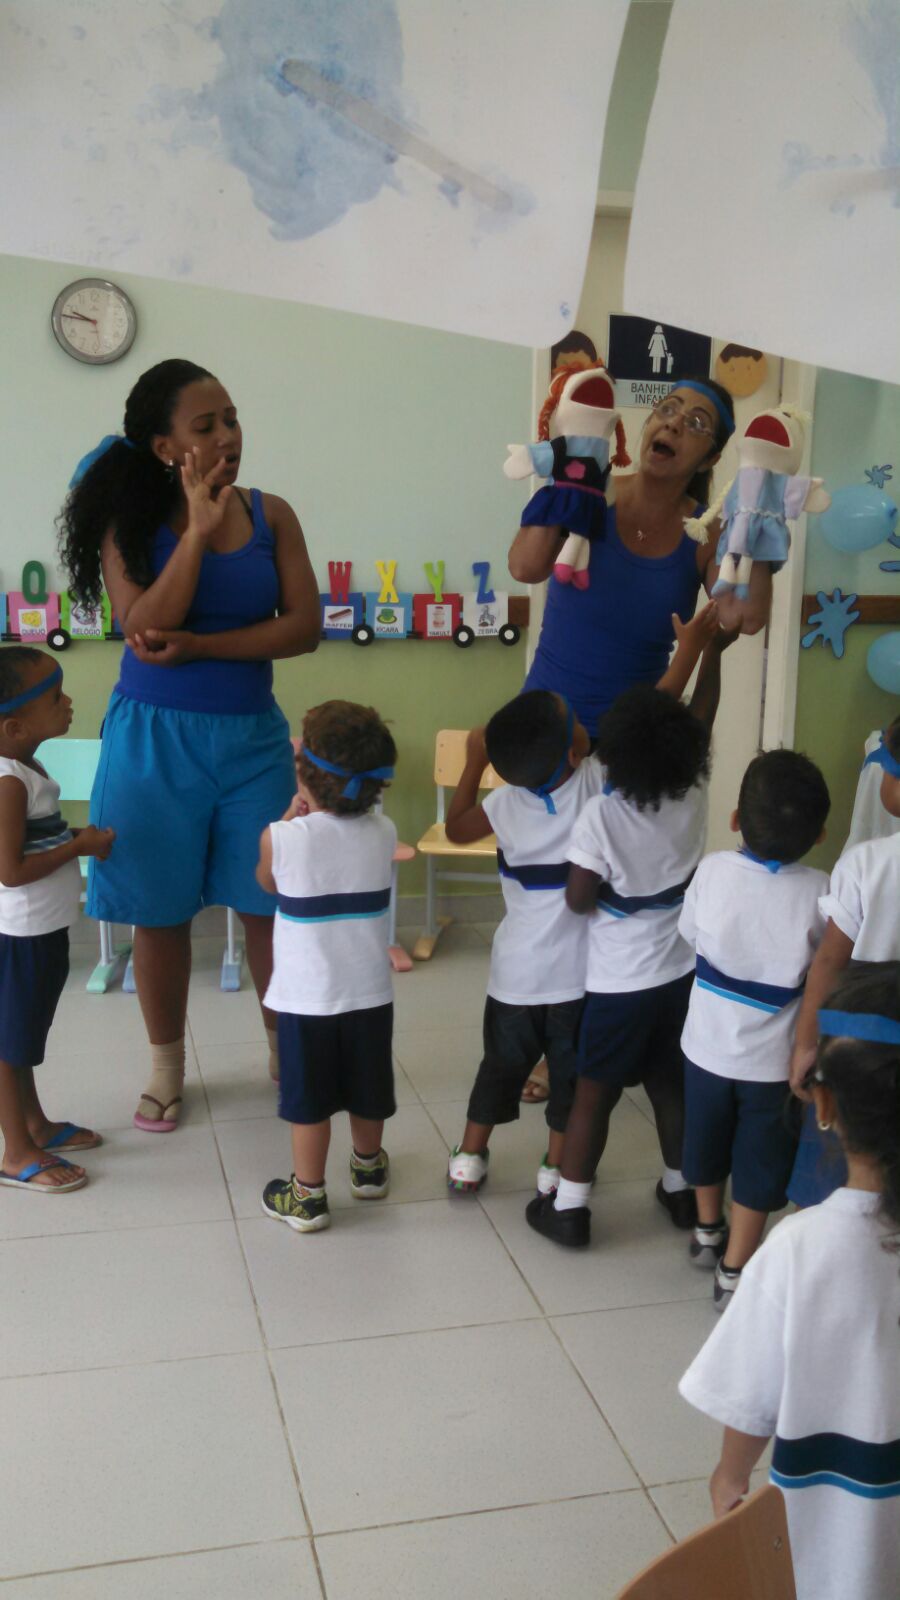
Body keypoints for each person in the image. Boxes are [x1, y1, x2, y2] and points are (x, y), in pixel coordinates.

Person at [58, 359, 320, 1133]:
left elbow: (304, 628)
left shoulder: (273, 515)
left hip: (253, 741)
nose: (228, 437)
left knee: (269, 904)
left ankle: (284, 1054)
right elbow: (144, 628)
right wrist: (198, 535)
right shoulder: (128, 522)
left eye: (231, 419)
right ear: (164, 446)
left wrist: (206, 648)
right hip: (153, 742)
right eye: (206, 426)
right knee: (158, 910)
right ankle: (167, 1069)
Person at [444, 606, 722, 1196]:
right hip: (578, 980)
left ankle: (469, 1155)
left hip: (516, 977)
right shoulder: (597, 784)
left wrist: (474, 762)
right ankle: (554, 1167)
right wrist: (692, 650)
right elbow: (658, 709)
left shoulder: (505, 806)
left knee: (500, 1066)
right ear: (576, 753)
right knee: (568, 1078)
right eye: (575, 721)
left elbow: (456, 828)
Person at [680, 963, 900, 1600]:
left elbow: (751, 1394)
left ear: (824, 1105)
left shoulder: (800, 1249)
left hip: (839, 1532)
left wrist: (729, 1477)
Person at [526, 629, 734, 1249]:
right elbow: (701, 714)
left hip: (619, 983)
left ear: (614, 753)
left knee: (595, 1093)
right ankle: (681, 1190)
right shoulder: (692, 794)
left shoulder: (603, 816)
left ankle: (570, 1208)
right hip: (680, 973)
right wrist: (714, 653)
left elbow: (578, 898)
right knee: (670, 1084)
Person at [513, 377, 770, 738]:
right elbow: (524, 567)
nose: (674, 423)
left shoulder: (705, 534)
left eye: (696, 423)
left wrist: (758, 507)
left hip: (631, 745)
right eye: (667, 409)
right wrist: (569, 469)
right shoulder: (592, 492)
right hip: (543, 731)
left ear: (709, 459)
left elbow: (745, 618)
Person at [678, 750, 831, 1310]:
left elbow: (689, 933)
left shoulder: (712, 870)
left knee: (704, 1140)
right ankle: (735, 1267)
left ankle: (706, 1229)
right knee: (760, 1159)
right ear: (819, 835)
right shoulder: (822, 891)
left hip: (706, 1049)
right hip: (774, 1063)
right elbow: (827, 969)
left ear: (736, 819)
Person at [259, 701, 398, 1234]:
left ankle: (307, 1195)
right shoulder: (384, 831)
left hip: (306, 1001)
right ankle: (368, 1170)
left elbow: (267, 881)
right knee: (368, 1088)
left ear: (303, 774)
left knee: (309, 1102)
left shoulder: (282, 837)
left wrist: (291, 819)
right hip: (369, 995)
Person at [0, 649, 114, 1192]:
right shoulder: (8, 782)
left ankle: (36, 1125)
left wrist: (73, 838)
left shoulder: (28, 769)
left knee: (21, 1036)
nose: (68, 703)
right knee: (8, 1046)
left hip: (41, 931)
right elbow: (11, 871)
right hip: (19, 935)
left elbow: (34, 841)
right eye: (54, 698)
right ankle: (15, 1153)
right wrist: (78, 847)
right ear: (14, 727)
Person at [787, 714, 900, 1207]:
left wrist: (805, 1044)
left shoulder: (866, 864)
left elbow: (829, 962)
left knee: (839, 1163)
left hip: (859, 1042)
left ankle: (828, 1231)